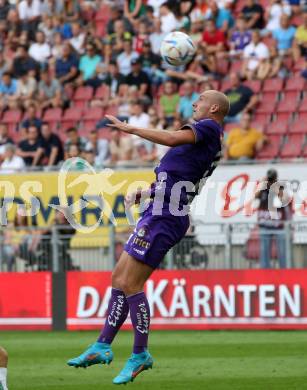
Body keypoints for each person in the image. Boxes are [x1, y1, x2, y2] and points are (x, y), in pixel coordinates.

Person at [67, 89, 230, 384]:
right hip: (158, 208)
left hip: (166, 215)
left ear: (214, 107)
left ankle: (140, 354)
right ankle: (102, 346)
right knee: (118, 278)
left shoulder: (208, 128)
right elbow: (179, 178)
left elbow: (169, 139)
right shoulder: (205, 139)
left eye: (200, 100)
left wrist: (131, 129)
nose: (194, 103)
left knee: (131, 283)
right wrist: (147, 191)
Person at [255, 169, 292, 269]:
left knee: (282, 251)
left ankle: (284, 272)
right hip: (265, 224)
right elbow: (255, 196)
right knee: (264, 251)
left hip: (278, 225)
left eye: (272, 178)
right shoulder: (263, 188)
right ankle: (265, 273)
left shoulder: (280, 187)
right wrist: (262, 184)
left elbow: (285, 200)